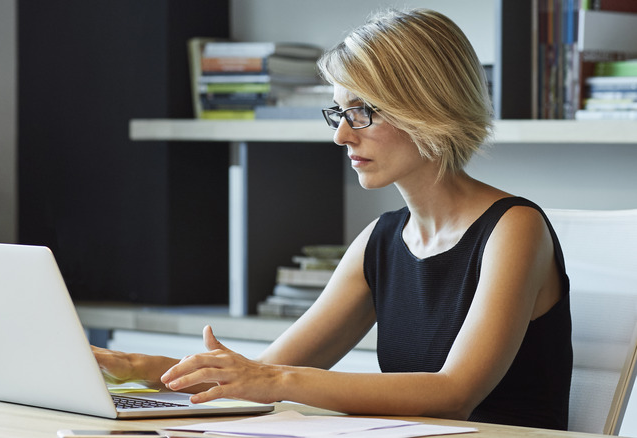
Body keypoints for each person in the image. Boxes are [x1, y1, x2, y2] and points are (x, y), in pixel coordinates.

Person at [93, 8, 572, 430]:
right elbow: (264, 371)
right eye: (339, 112)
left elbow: (453, 396)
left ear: (427, 106)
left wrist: (273, 379)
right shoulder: (382, 239)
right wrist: (134, 365)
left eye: (362, 112)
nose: (342, 135)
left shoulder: (515, 229)